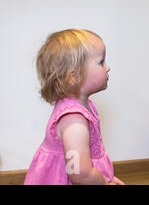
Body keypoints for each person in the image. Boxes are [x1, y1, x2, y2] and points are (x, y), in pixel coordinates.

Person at [24, 29, 124, 185]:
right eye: (101, 62)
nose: (108, 67)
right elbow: (79, 174)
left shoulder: (84, 106)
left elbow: (87, 163)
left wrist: (107, 177)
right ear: (74, 76)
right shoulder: (73, 120)